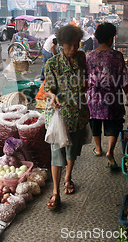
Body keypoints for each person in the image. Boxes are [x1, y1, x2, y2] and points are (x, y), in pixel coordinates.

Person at [44, 25, 89, 210]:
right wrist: (52, 96)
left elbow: (85, 79)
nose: (74, 48)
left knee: (72, 151)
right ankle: (55, 192)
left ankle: (68, 177)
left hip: (78, 114)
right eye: (70, 45)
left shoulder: (81, 57)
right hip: (59, 116)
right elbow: (48, 89)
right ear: (62, 44)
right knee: (56, 154)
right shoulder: (52, 64)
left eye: (77, 44)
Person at [86, 23, 128, 169]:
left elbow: (85, 79)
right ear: (112, 39)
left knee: (95, 122)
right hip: (112, 96)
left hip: (93, 97)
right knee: (115, 123)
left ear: (97, 38)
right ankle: (110, 151)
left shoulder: (89, 55)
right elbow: (123, 78)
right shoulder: (117, 56)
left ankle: (98, 148)